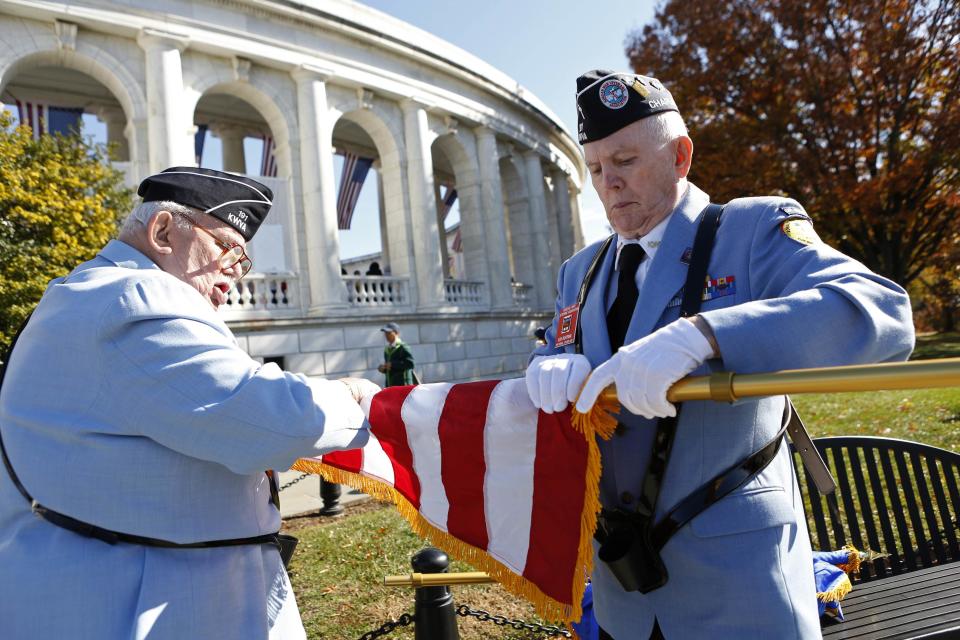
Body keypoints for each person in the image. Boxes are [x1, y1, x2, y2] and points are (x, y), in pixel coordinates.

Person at [526, 70, 914, 639]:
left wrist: (706, 335)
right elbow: (551, 352)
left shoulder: (752, 229)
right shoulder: (579, 272)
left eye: (626, 161)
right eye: (596, 169)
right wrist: (545, 366)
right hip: (623, 594)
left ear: (680, 156)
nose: (609, 183)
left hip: (739, 587)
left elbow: (881, 314)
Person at [0, 167, 379, 639]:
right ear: (162, 231)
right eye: (227, 250)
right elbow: (271, 420)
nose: (235, 276)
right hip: (144, 604)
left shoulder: (91, 292)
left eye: (242, 262)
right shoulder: (136, 297)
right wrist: (355, 395)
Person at [377, 322, 416, 387]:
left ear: (396, 333)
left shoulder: (403, 347)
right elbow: (392, 369)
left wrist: (392, 364)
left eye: (389, 333)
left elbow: (410, 364)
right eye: (385, 333)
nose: (386, 335)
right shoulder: (387, 349)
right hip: (391, 386)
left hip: (404, 386)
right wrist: (383, 369)